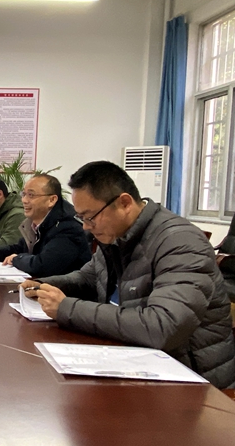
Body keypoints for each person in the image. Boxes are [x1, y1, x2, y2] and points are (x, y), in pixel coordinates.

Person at [22, 161, 235, 388]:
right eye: (81, 218)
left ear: (124, 203)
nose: (85, 227)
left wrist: (67, 309)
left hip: (193, 382)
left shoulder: (180, 242)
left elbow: (163, 327)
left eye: (90, 217)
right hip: (135, 361)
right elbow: (88, 278)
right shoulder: (116, 235)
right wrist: (40, 285)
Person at [0, 174, 91, 277]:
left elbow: (43, 265)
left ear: (52, 200)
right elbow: (19, 248)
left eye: (31, 195)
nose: (24, 200)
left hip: (65, 293)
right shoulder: (35, 222)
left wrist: (16, 259)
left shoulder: (67, 226)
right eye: (24, 194)